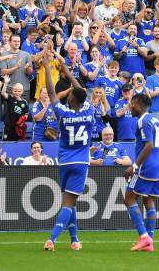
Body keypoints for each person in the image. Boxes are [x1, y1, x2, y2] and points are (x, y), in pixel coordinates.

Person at [42, 50, 94, 252]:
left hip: (64, 160)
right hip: (81, 162)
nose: (70, 93)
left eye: (71, 93)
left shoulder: (62, 113)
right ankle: (52, 239)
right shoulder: (89, 110)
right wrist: (66, 70)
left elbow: (51, 91)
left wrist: (48, 68)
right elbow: (80, 88)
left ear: (71, 100)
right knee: (68, 202)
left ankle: (74, 239)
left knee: (68, 201)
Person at [124, 93, 159, 252]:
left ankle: (144, 236)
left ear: (139, 104)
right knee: (148, 201)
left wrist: (134, 166)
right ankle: (150, 241)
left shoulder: (142, 121)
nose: (130, 107)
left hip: (146, 166)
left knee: (129, 198)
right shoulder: (156, 120)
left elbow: (149, 145)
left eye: (131, 103)